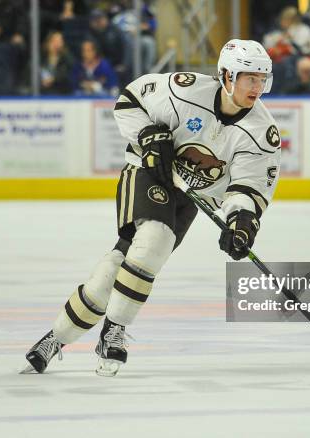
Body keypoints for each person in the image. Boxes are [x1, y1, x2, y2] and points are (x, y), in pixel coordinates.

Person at [23, 39, 281, 377]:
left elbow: (247, 186)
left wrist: (242, 221)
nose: (257, 87)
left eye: (262, 79)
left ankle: (55, 338)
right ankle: (113, 331)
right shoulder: (184, 91)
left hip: (190, 196)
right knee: (154, 240)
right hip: (147, 171)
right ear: (226, 76)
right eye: (250, 78)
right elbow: (130, 101)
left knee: (121, 265)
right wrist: (148, 134)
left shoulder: (262, 132)